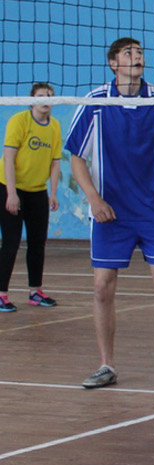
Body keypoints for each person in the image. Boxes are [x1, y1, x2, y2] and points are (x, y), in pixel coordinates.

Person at [66, 37, 154, 389]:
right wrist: (94, 199)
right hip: (110, 214)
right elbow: (76, 158)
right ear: (113, 63)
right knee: (101, 288)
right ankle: (106, 365)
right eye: (128, 53)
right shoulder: (95, 103)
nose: (136, 57)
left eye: (139, 53)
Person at [1, 82, 63, 310]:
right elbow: (8, 158)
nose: (45, 99)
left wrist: (53, 193)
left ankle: (35, 292)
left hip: (37, 191)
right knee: (11, 243)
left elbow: (55, 162)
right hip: (9, 188)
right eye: (41, 95)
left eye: (49, 96)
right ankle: (1, 294)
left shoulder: (55, 126)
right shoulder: (19, 121)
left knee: (38, 243)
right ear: (31, 100)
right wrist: (11, 193)